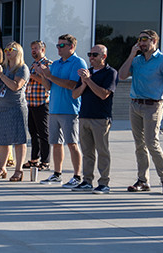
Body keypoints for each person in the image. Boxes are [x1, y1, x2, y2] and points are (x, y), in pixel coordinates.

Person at [119, 30, 163, 195]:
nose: (141, 43)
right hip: (135, 104)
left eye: (145, 40)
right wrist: (131, 55)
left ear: (155, 41)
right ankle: (143, 180)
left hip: (153, 106)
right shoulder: (136, 60)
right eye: (139, 40)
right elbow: (122, 75)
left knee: (152, 143)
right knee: (139, 145)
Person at [36, 34, 88, 188]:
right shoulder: (57, 63)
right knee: (56, 143)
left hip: (70, 109)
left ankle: (77, 176)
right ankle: (57, 174)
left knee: (72, 143)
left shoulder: (78, 62)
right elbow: (49, 86)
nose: (58, 48)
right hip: (54, 108)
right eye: (57, 45)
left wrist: (49, 75)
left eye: (62, 45)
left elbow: (72, 84)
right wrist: (42, 75)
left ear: (71, 46)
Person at [71, 45, 118, 194]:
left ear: (103, 56)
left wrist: (89, 81)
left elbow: (104, 94)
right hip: (84, 116)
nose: (91, 57)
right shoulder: (87, 73)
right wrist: (84, 82)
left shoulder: (110, 73)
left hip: (100, 118)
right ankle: (87, 181)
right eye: (90, 54)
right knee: (87, 152)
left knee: (102, 151)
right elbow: (75, 95)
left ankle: (104, 183)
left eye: (95, 55)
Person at [0, 43, 30, 181]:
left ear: (18, 52)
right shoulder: (5, 67)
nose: (7, 52)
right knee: (2, 140)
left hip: (16, 107)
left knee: (19, 139)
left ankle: (18, 170)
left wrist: (0, 74)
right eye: (6, 50)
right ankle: (2, 168)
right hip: (1, 107)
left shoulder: (22, 68)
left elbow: (15, 86)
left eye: (10, 50)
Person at [24, 41, 53, 171]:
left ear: (43, 50)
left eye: (36, 48)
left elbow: (48, 83)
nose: (33, 51)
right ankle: (34, 159)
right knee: (33, 132)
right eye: (32, 49)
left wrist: (34, 75)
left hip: (42, 103)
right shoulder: (32, 65)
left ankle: (45, 161)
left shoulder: (48, 64)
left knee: (43, 133)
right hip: (30, 103)